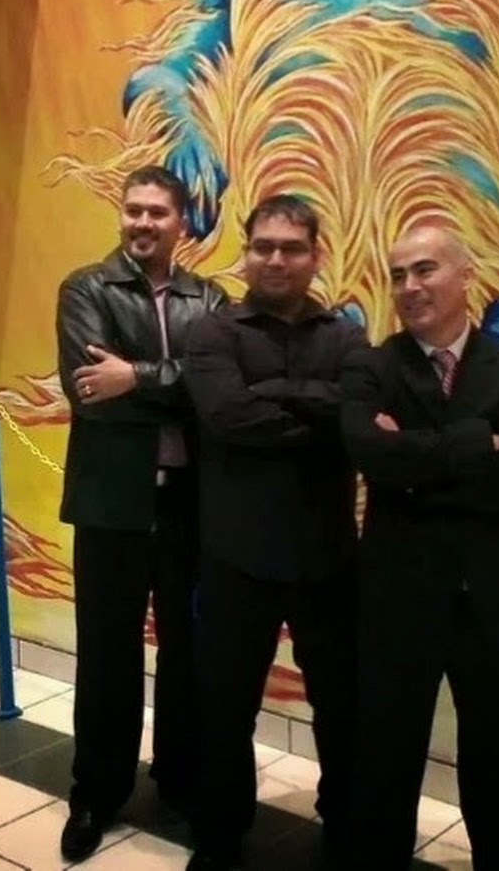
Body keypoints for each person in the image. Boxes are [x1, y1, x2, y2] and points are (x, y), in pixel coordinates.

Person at [340, 224, 499, 871]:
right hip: (398, 598)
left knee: (495, 757)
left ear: (466, 276)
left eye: (425, 269)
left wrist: (415, 459)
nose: (409, 286)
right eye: (398, 275)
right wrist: (479, 444)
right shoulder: (371, 366)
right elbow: (372, 456)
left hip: (491, 598)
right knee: (387, 754)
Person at [183, 195, 367, 871]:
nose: (276, 259)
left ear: (316, 256)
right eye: (264, 247)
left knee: (343, 710)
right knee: (224, 711)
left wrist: (276, 395)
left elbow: (355, 420)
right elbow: (227, 418)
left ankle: (346, 829)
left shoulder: (347, 337)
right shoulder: (213, 334)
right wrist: (316, 410)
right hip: (237, 557)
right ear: (246, 253)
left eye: (291, 248)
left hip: (328, 560)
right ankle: (219, 836)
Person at [56, 165, 227, 862]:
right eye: (134, 210)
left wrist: (135, 376)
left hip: (189, 506)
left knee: (189, 655)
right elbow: (89, 393)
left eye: (157, 212)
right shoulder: (85, 289)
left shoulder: (209, 298)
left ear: (181, 222)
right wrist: (170, 386)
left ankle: (180, 780)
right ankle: (96, 793)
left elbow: (217, 389)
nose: (143, 223)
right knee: (106, 656)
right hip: (109, 505)